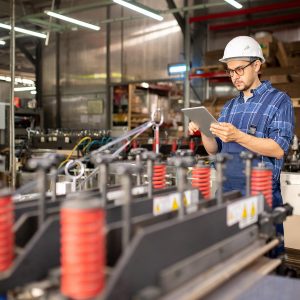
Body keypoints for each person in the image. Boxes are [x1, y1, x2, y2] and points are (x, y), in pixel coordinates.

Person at [189, 36, 294, 255]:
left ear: (256, 65)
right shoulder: (229, 107)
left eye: (239, 69)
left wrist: (238, 136)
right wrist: (204, 130)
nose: (234, 76)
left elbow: (278, 148)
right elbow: (214, 150)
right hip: (227, 190)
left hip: (261, 193)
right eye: (230, 71)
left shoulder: (279, 101)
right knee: (228, 255)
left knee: (266, 256)